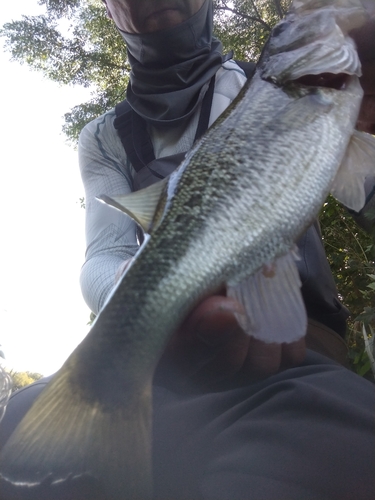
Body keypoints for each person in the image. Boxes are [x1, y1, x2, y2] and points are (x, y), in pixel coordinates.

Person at [0, 0, 374, 498]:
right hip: (162, 358)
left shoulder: (262, 81)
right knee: (23, 418)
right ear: (110, 9)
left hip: (302, 354)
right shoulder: (104, 137)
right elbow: (103, 255)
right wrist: (150, 305)